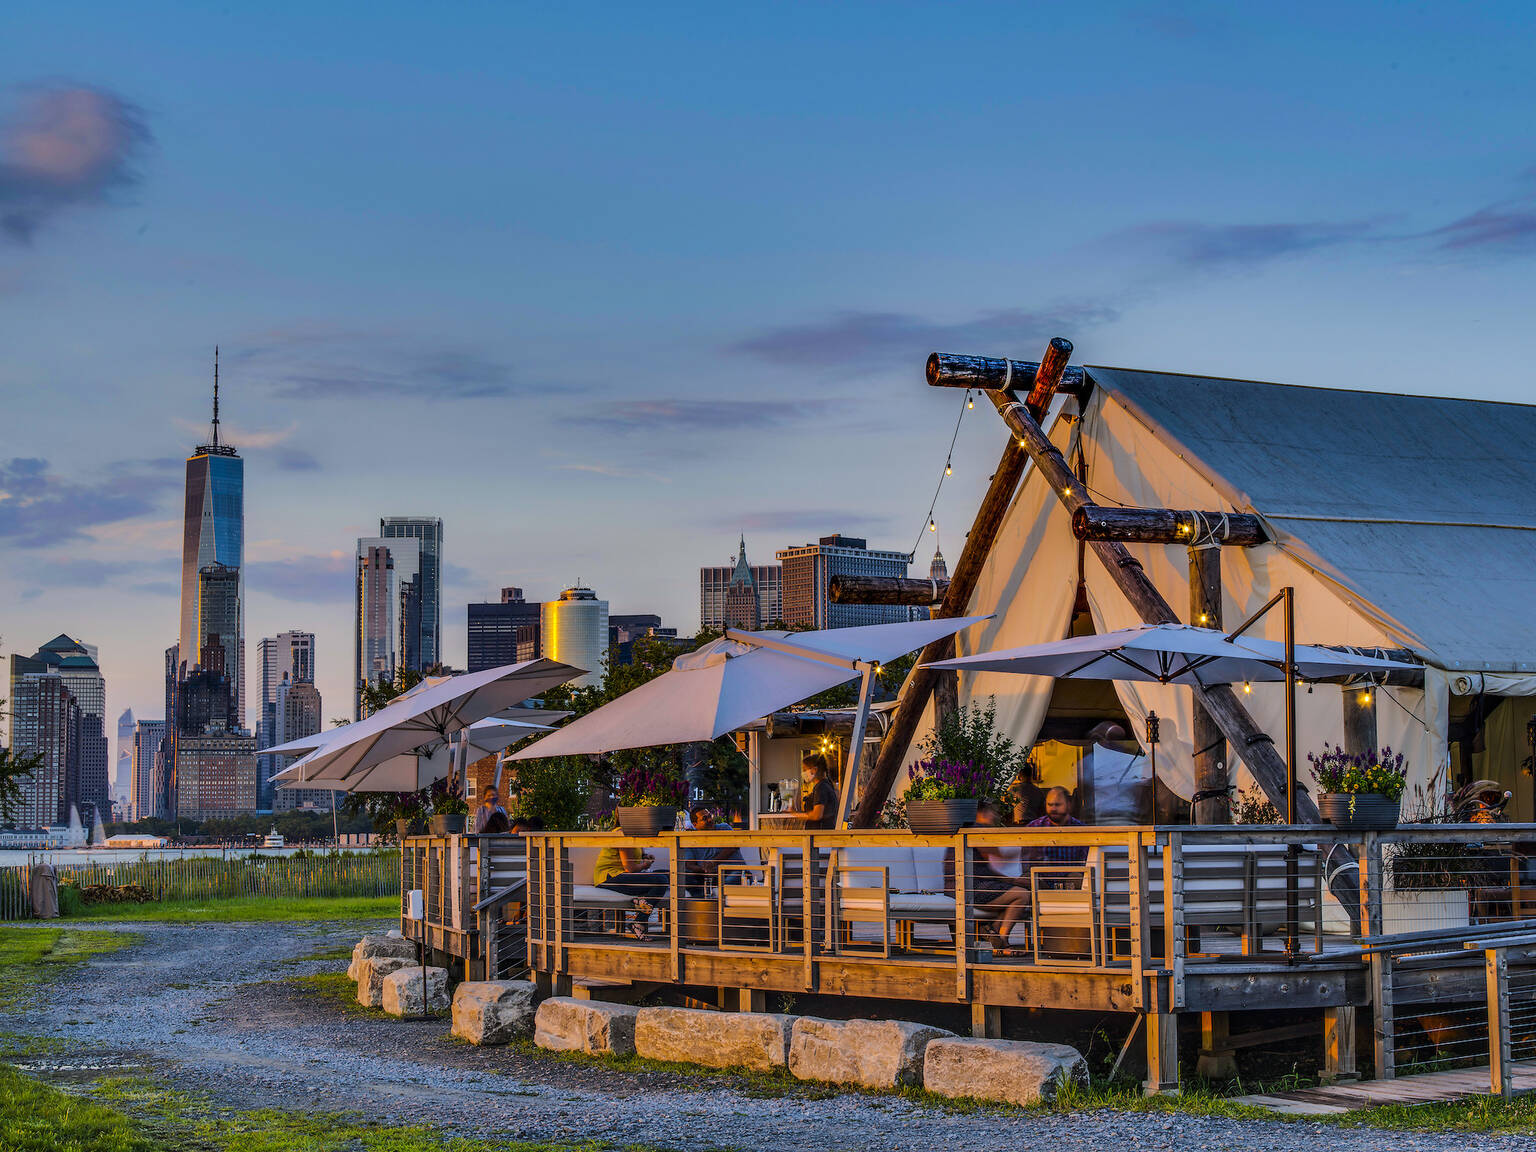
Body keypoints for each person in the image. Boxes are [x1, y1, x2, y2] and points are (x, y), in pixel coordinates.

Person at [594, 841, 668, 938]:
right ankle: (639, 921)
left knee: (670, 874)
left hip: (625, 876)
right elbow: (631, 868)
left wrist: (646, 858)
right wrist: (645, 865)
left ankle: (640, 902)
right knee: (661, 879)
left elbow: (639, 857)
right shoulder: (622, 835)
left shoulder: (635, 836)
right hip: (610, 877)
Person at [683, 804, 742, 896]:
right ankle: (704, 903)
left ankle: (713, 902)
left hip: (731, 870)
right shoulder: (691, 839)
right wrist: (704, 869)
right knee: (684, 877)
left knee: (733, 878)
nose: (710, 820)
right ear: (695, 824)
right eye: (705, 818)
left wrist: (713, 863)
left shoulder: (724, 828)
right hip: (706, 874)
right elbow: (689, 864)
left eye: (710, 816)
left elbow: (732, 847)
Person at [801, 752, 840, 830]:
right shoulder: (826, 785)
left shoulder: (821, 787)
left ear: (814, 770)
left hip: (819, 836)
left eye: (805, 769)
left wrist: (798, 815)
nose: (804, 773)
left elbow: (817, 815)